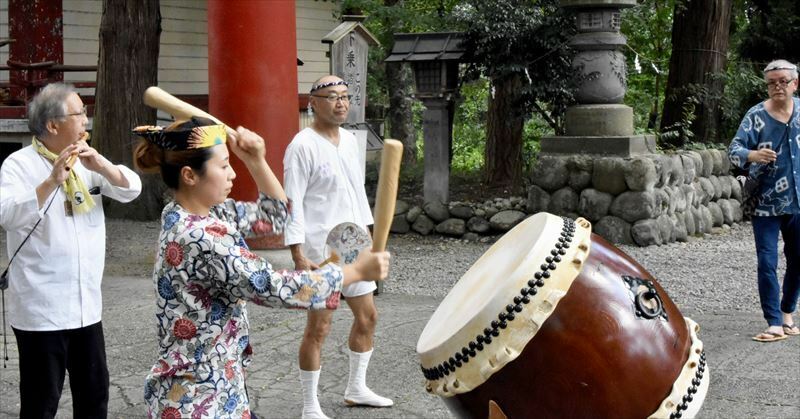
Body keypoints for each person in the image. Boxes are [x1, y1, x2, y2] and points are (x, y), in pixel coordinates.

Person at [133, 117, 390, 418]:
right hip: (198, 398)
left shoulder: (192, 213)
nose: (231, 174)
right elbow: (273, 287)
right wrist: (355, 272)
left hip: (215, 386)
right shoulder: (200, 236)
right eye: (224, 165)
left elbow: (276, 215)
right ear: (189, 175)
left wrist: (255, 160)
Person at [0, 83, 142, 418]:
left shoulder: (87, 161)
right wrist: (50, 181)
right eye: (79, 114)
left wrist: (104, 167)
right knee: (41, 401)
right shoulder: (18, 165)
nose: (86, 121)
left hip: (86, 305)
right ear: (53, 125)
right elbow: (6, 214)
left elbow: (131, 189)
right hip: (41, 307)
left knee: (94, 398)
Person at [284, 75, 393, 419]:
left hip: (355, 241)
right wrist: (298, 254)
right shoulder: (301, 146)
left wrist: (374, 240)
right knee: (320, 327)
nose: (341, 103)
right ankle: (309, 406)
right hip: (321, 248)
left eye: (345, 96)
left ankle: (356, 388)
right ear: (313, 103)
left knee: (368, 316)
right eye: (332, 97)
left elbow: (356, 192)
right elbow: (293, 203)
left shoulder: (350, 140)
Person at [728, 59, 800, 343]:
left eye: (783, 80)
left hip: (798, 202)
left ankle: (787, 313)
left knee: (798, 260)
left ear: (795, 83)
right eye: (772, 82)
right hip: (765, 203)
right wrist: (753, 155)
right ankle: (773, 322)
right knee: (766, 262)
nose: (777, 86)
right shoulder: (756, 115)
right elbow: (734, 150)